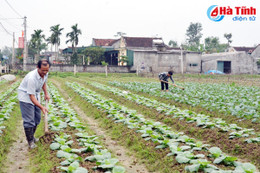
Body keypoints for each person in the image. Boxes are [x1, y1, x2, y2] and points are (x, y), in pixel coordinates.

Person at [18, 59, 51, 149]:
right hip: (26, 97)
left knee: (37, 118)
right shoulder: (31, 78)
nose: (44, 72)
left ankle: (32, 137)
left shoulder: (45, 73)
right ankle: (30, 142)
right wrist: (41, 107)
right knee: (29, 120)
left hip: (35, 95)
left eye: (46, 70)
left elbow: (43, 83)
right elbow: (31, 97)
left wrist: (46, 94)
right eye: (43, 70)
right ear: (37, 68)